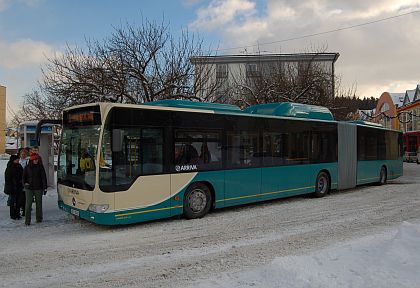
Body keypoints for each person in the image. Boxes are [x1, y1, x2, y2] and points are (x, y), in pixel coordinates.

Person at [23, 153, 47, 225]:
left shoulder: (40, 167)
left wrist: (44, 187)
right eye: (35, 159)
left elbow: (43, 178)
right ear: (31, 160)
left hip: (38, 188)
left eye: (37, 159)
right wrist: (25, 183)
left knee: (39, 204)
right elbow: (23, 178)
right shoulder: (27, 167)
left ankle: (39, 219)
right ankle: (27, 221)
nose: (36, 161)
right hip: (29, 188)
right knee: (28, 205)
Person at [4, 155, 24, 220]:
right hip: (12, 187)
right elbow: (7, 178)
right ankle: (13, 215)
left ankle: (17, 214)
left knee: (18, 201)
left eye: (18, 159)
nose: (18, 160)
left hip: (19, 186)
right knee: (13, 201)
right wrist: (11, 185)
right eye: (17, 159)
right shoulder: (9, 167)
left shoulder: (19, 166)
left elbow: (22, 174)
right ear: (13, 160)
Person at [18, 148, 29, 216]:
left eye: (24, 154)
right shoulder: (18, 161)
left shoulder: (27, 161)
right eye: (22, 154)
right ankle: (22, 208)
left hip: (25, 181)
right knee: (21, 196)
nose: (23, 155)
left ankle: (25, 210)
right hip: (19, 181)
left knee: (25, 196)